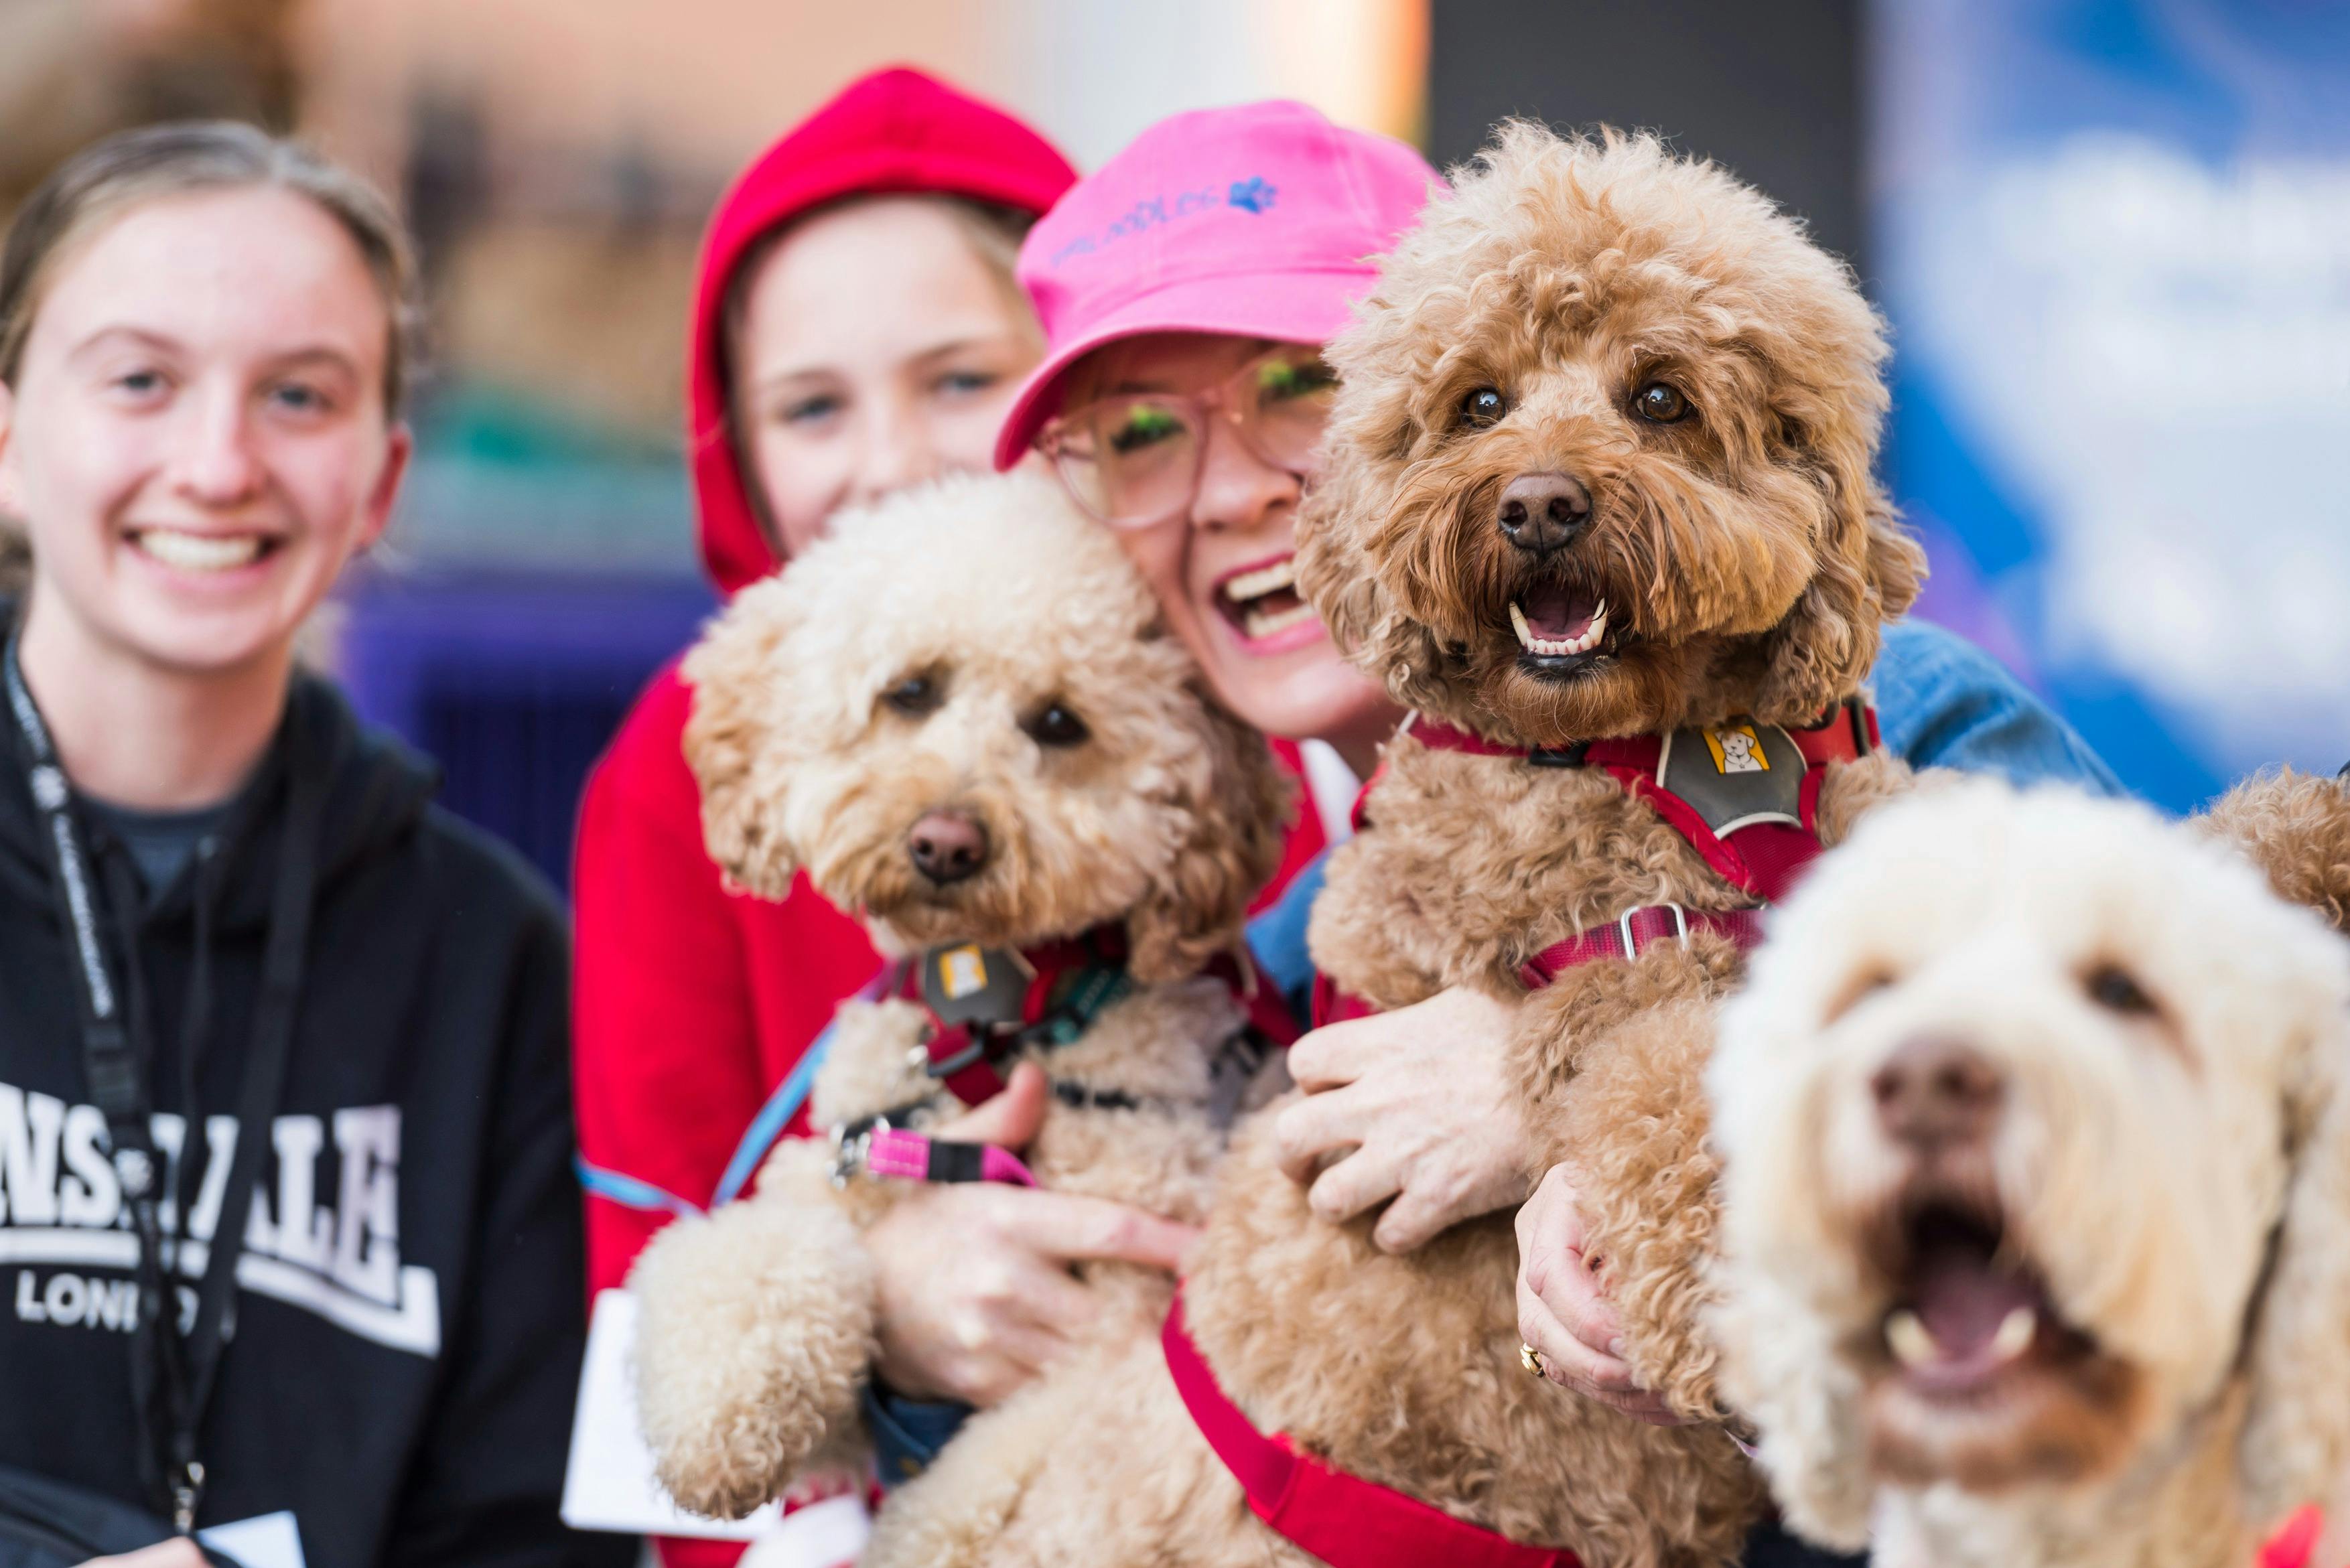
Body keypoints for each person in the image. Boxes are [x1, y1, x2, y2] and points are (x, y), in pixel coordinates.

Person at [982, 98, 2122, 1547]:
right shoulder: (1221, 868)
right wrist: (894, 1304)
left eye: (1289, 386)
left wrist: (1546, 1079)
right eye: (1137, 433)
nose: (1227, 488)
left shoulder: (1897, 712)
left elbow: (2151, 1152)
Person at [567, 68, 1330, 1567]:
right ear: (734, 445)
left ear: (1085, 408)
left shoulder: (1228, 698)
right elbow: (633, 1373)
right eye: (808, 407)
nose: (890, 459)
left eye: (960, 381)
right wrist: (888, 1328)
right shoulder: (676, 762)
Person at [0, 123, 626, 1567]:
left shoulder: (490, 960)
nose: (218, 463)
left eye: (298, 394)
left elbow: (541, 1535)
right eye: (142, 380)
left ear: (382, 482)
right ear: (14, 446)